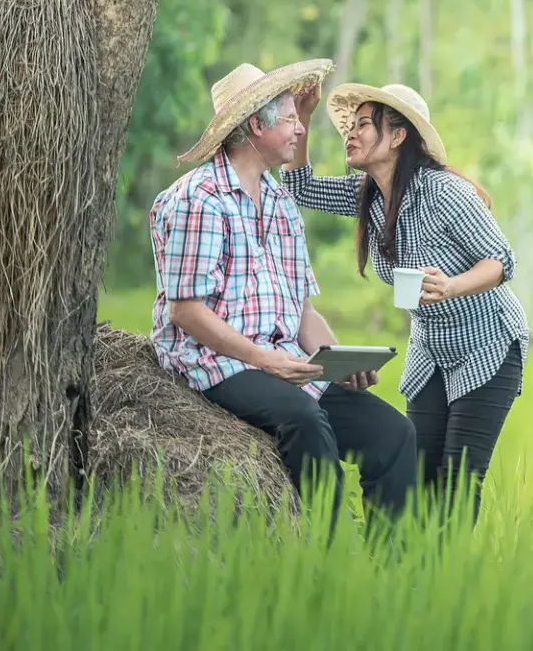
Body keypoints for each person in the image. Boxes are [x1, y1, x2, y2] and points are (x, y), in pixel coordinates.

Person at [148, 60, 418, 533]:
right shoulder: (200, 199)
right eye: (292, 117)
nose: (300, 128)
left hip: (281, 360)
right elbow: (185, 311)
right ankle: (330, 556)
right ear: (256, 125)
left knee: (393, 433)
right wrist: (266, 360)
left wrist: (337, 358)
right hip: (216, 360)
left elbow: (301, 309)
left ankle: (388, 575)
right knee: (305, 419)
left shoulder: (278, 203)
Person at [280, 81, 530, 525]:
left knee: (456, 483)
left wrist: (450, 286)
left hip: (487, 345)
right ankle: (407, 578)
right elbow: (300, 189)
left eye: (362, 125)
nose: (349, 135)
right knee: (415, 474)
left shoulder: (442, 192)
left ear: (397, 136)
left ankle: (447, 580)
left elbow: (501, 260)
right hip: (431, 349)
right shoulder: (368, 195)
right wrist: (303, 117)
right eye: (349, 126)